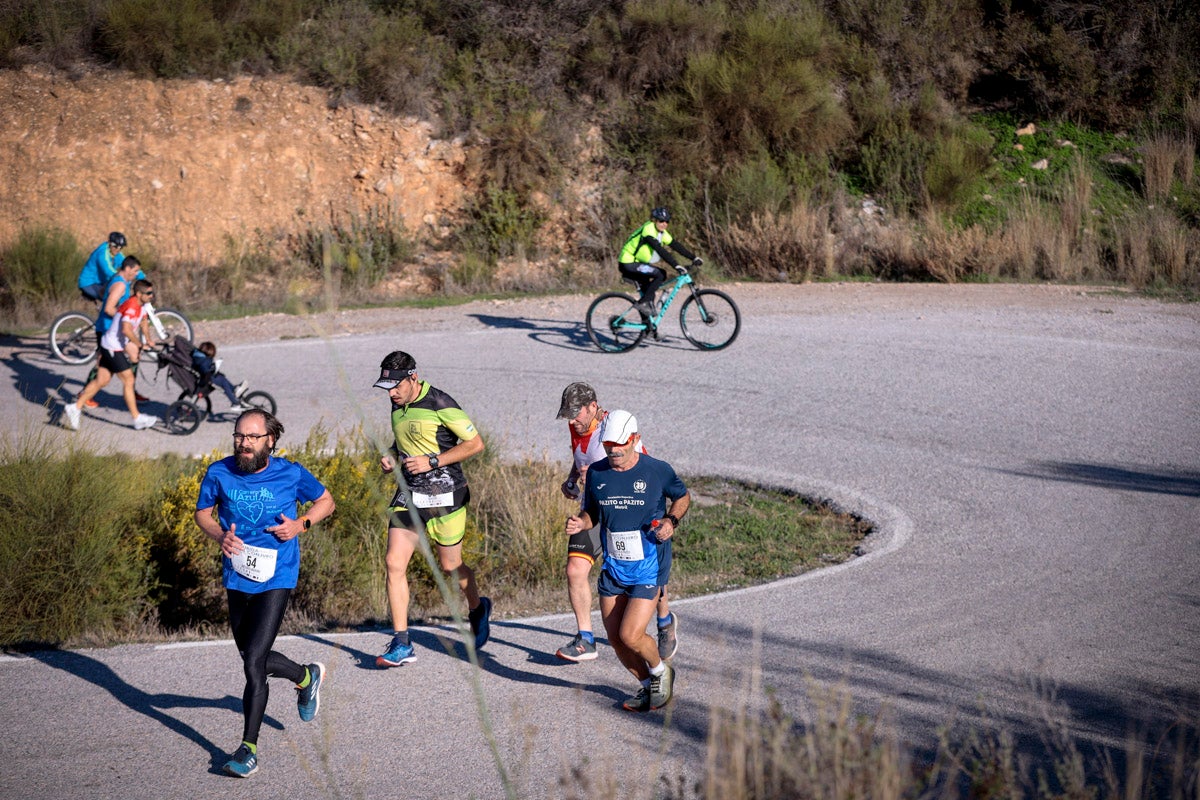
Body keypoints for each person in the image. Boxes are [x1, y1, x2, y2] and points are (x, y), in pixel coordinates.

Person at [194, 409, 336, 778]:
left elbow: (326, 501)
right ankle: (306, 677)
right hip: (237, 575)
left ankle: (248, 750)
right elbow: (203, 513)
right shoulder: (219, 472)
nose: (244, 443)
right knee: (251, 656)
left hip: (277, 575)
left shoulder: (291, 473)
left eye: (252, 437)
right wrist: (219, 535)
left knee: (253, 661)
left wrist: (301, 524)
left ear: (269, 440)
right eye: (239, 436)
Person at [565, 410, 690, 712]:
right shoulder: (597, 473)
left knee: (630, 634)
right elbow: (592, 512)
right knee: (615, 639)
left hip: (648, 566)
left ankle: (661, 672)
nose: (614, 450)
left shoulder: (656, 470)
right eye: (608, 444)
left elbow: (682, 496)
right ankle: (647, 686)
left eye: (620, 444)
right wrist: (582, 523)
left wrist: (671, 521)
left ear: (635, 439)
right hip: (614, 567)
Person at [373, 350, 492, 667]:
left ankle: (478, 608)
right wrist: (391, 456)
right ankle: (402, 643)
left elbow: (475, 444)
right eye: (387, 389)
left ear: (413, 377)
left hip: (446, 494)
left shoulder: (440, 402)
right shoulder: (398, 403)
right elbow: (404, 441)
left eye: (396, 387)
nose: (392, 394)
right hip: (410, 493)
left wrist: (433, 461)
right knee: (394, 562)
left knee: (451, 566)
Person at [554, 382, 678, 664]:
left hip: (631, 512)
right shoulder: (577, 426)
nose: (572, 422)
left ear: (593, 407)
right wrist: (573, 478)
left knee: (646, 571)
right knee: (574, 569)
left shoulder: (615, 431)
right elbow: (582, 457)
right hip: (594, 513)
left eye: (576, 414)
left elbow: (644, 468)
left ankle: (664, 621)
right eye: (568, 416)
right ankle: (586, 638)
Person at [62, 272, 159, 431]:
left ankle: (75, 407)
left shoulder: (142, 306)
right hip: (112, 347)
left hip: (113, 346)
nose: (151, 295)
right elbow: (126, 329)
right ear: (138, 294)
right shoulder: (131, 306)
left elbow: (143, 322)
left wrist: (148, 339)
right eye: (148, 293)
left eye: (152, 292)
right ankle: (137, 418)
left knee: (102, 381)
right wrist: (139, 344)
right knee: (128, 380)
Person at [618, 207, 703, 315]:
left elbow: (675, 245)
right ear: (655, 220)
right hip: (628, 262)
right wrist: (675, 265)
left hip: (638, 263)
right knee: (660, 274)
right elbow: (660, 250)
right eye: (661, 221)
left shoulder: (662, 233)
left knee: (649, 291)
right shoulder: (648, 230)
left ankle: (647, 323)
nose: (664, 224)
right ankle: (642, 303)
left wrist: (693, 257)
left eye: (667, 221)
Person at [193, 341, 250, 411]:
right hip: (206, 378)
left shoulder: (200, 357)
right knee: (224, 383)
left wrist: (214, 368)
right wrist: (213, 369)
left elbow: (205, 368)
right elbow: (205, 371)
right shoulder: (203, 360)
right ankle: (235, 403)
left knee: (222, 378)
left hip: (208, 376)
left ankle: (234, 389)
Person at [77, 232, 127, 302]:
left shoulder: (117, 254)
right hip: (89, 283)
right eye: (115, 246)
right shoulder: (102, 253)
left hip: (100, 283)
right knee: (113, 299)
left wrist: (140, 277)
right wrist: (123, 277)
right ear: (109, 243)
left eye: (120, 247)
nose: (118, 249)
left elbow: (128, 264)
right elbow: (108, 271)